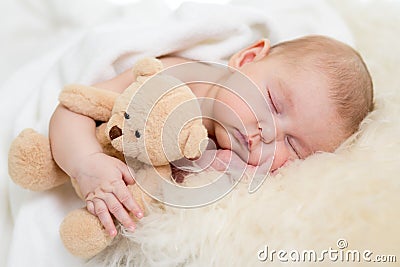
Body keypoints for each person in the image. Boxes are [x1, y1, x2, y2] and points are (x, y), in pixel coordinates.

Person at [49, 35, 374, 237]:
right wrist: (84, 162)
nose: (268, 133)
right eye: (274, 103)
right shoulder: (173, 80)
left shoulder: (247, 171)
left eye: (292, 145)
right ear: (246, 60)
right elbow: (73, 109)